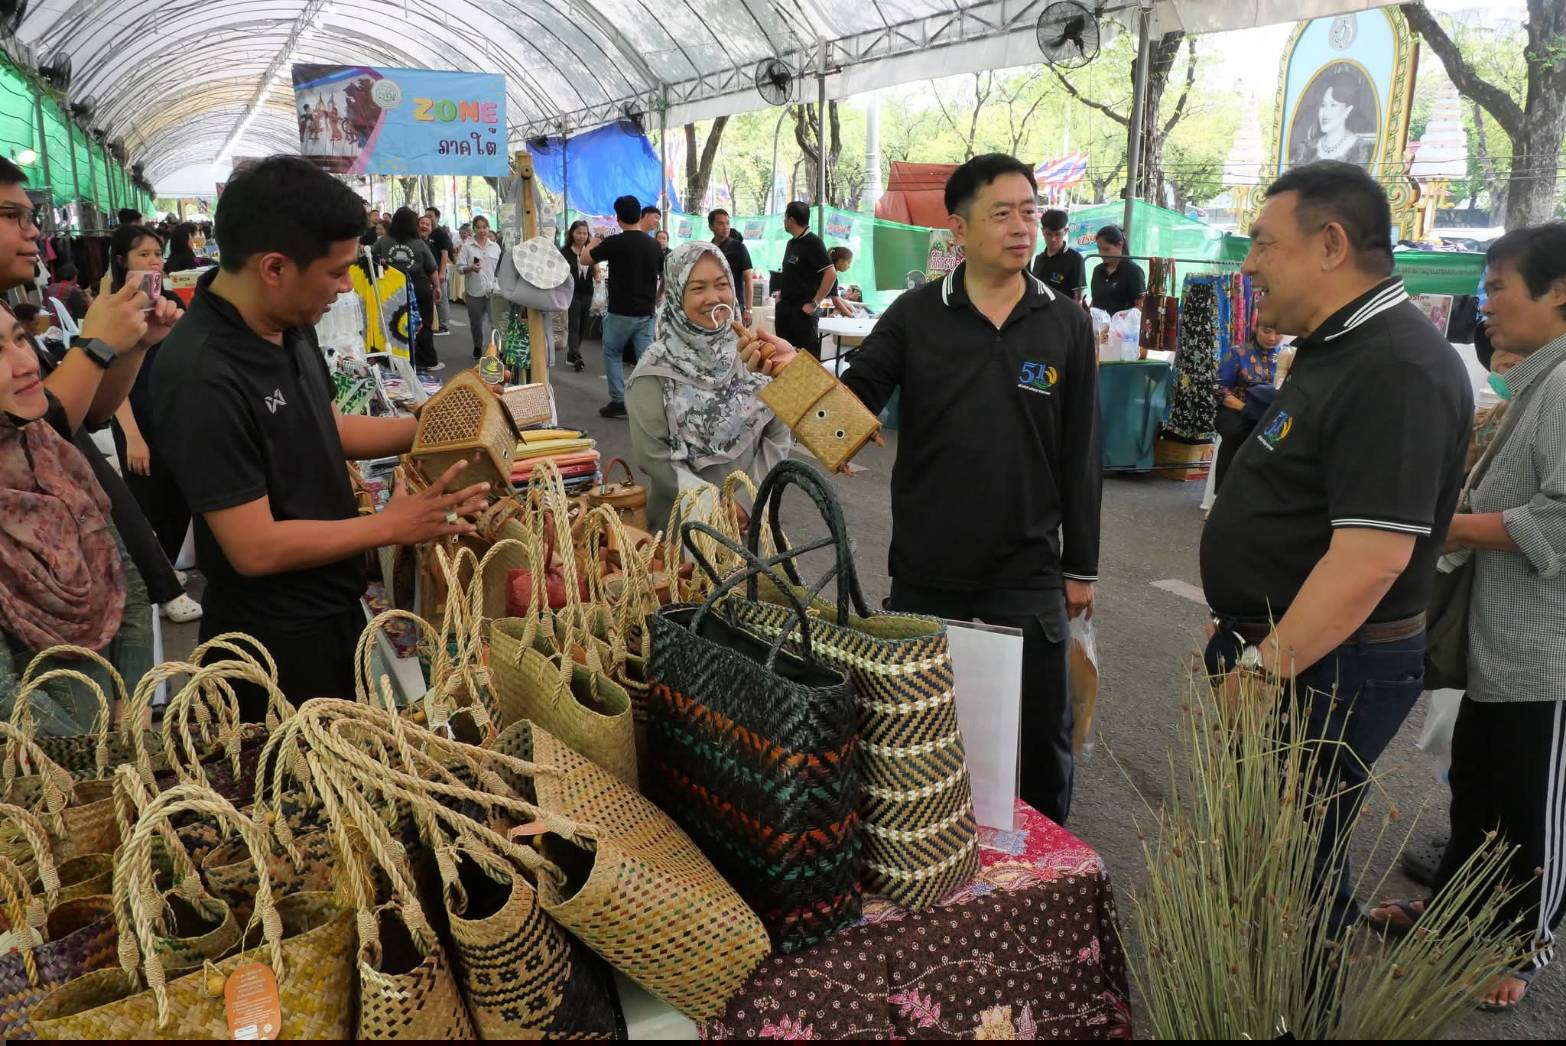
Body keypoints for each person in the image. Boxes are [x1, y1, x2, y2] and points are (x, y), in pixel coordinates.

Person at [1199, 161, 1473, 939]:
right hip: (1293, 650)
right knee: (1273, 855)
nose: (1249, 263)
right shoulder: (1340, 344)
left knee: (1293, 875)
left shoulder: (1395, 365)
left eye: (1262, 243)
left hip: (1329, 665)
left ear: (1329, 244)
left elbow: (1371, 558)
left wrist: (1265, 665)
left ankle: (1292, 1013)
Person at [151, 155, 491, 719]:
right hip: (272, 640)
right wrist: (386, 526)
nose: (344, 287)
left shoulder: (290, 324)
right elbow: (253, 547)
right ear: (275, 268)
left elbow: (325, 427)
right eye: (335, 273)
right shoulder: (200, 373)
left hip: (332, 608)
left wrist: (433, 428)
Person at [837, 154, 1103, 825]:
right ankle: (937, 872)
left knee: (1040, 740)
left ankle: (1045, 884)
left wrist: (1082, 567)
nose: (1021, 227)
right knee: (920, 741)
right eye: (1002, 213)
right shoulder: (917, 314)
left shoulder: (1063, 321)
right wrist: (795, 374)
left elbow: (1082, 450)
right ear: (959, 228)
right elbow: (854, 398)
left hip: (1029, 568)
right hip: (930, 567)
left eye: (1029, 211)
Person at [1369, 223, 1566, 1011]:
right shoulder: (1539, 380)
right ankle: (1453, 913)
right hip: (1500, 638)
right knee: (1477, 790)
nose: (1484, 305)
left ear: (1559, 293)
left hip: (1546, 650)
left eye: (1496, 288)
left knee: (1529, 802)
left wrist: (1447, 524)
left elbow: (1559, 521)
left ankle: (1525, 944)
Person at [0, 158, 194, 639]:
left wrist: (136, 345)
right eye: (12, 216)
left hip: (75, 580)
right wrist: (96, 345)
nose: (32, 234)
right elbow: (45, 423)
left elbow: (90, 413)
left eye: (33, 218)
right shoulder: (98, 304)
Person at [0, 299, 154, 733]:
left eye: (18, 340)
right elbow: (5, 699)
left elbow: (125, 583)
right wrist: (97, 757)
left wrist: (134, 700)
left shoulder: (47, 451)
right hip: (40, 779)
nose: (27, 363)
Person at [628, 242, 795, 527]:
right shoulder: (655, 370)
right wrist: (714, 509)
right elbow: (654, 457)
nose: (713, 297)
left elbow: (778, 432)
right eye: (697, 288)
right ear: (676, 295)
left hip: (752, 525)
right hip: (683, 530)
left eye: (721, 284)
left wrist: (745, 503)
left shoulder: (754, 354)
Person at [105, 224, 204, 624]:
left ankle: (162, 567)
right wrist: (132, 436)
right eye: (143, 254)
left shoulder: (171, 301)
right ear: (121, 261)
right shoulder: (111, 309)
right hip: (136, 417)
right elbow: (111, 381)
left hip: (174, 416)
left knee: (180, 496)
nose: (153, 261)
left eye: (157, 253)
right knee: (146, 503)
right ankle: (161, 588)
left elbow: (189, 356)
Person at [579, 195, 664, 419]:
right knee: (646, 358)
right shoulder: (654, 244)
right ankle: (653, 401)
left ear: (618, 218)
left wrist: (595, 239)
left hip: (620, 312)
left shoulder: (615, 242)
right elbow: (665, 274)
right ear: (639, 215)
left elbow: (585, 259)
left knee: (612, 353)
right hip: (646, 312)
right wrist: (658, 296)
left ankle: (618, 400)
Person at [1211, 318, 1283, 490]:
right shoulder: (1239, 353)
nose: (1272, 338)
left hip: (1269, 413)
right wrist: (1246, 408)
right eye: (1267, 331)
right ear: (1256, 328)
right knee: (1238, 433)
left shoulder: (1285, 356)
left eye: (1278, 333)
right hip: (1236, 410)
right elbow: (1219, 388)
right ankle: (1222, 495)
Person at [375, 207, 441, 372]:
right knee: (423, 323)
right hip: (418, 286)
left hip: (392, 289)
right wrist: (437, 287)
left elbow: (370, 258)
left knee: (392, 324)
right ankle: (426, 360)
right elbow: (432, 268)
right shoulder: (419, 243)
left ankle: (393, 358)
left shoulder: (383, 241)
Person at [777, 201, 834, 357]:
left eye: (785, 217)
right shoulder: (792, 243)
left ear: (792, 220)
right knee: (783, 358)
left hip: (802, 312)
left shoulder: (813, 243)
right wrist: (781, 295)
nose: (784, 221)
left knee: (804, 362)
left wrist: (815, 303)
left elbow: (831, 273)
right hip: (786, 309)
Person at [455, 214, 502, 359]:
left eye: (484, 227)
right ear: (474, 229)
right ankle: (477, 346)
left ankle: (497, 350)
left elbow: (500, 268)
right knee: (476, 323)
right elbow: (459, 268)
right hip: (474, 291)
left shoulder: (495, 247)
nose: (482, 230)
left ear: (488, 229)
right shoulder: (467, 247)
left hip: (494, 290)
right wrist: (470, 268)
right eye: (478, 228)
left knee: (496, 324)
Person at [559, 219, 595, 371]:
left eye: (584, 233)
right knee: (574, 323)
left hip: (587, 291)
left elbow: (596, 268)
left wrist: (597, 272)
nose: (581, 236)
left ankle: (572, 353)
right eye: (578, 233)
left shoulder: (590, 250)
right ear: (572, 234)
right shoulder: (564, 252)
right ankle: (576, 354)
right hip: (571, 293)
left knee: (582, 325)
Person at [709, 208, 754, 327]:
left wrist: (748, 310)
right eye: (720, 223)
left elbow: (748, 280)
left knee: (736, 342)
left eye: (727, 223)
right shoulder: (708, 249)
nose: (725, 227)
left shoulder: (739, 248)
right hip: (714, 305)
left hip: (735, 306)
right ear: (711, 227)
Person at [1031, 208, 1086, 303]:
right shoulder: (1039, 259)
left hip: (1065, 314)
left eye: (1058, 234)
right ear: (1042, 231)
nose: (1053, 239)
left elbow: (1078, 300)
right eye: (1049, 234)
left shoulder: (1075, 259)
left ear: (1065, 231)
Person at [1088, 225, 1145, 316]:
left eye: (1106, 249)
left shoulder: (1133, 271)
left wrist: (1120, 321)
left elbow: (1141, 306)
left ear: (1120, 245)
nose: (1101, 253)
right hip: (1098, 327)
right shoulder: (1097, 270)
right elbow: (1094, 301)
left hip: (1122, 327)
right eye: (1099, 249)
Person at [424, 206, 455, 335]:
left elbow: (444, 254)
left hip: (438, 271)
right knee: (428, 298)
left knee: (441, 298)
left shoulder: (441, 234)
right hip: (426, 272)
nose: (428, 219)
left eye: (430, 216)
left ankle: (444, 326)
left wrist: (442, 272)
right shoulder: (426, 232)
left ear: (437, 217)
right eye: (426, 216)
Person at [822, 247, 856, 316]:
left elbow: (836, 296)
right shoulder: (831, 275)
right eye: (848, 262)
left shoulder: (827, 271)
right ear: (840, 261)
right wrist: (852, 316)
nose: (849, 266)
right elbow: (836, 301)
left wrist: (850, 307)